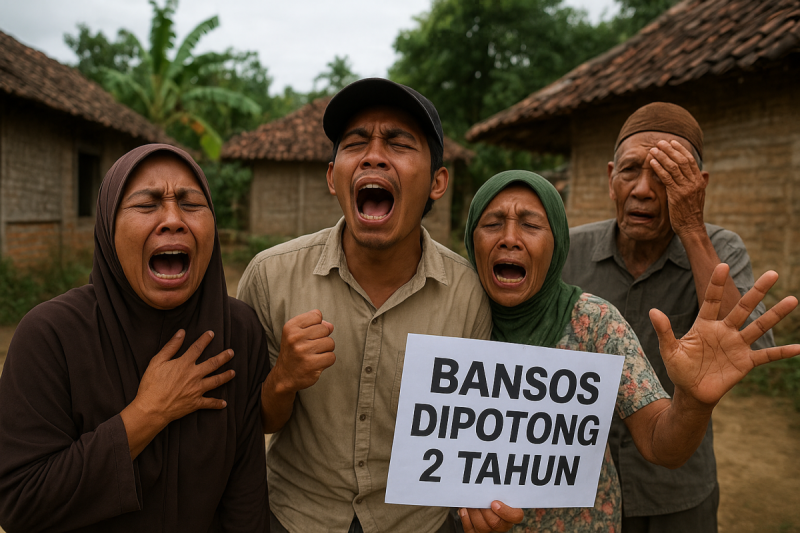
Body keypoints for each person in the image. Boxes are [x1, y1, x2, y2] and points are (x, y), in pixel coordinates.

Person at [238, 78, 523, 533]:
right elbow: (248, 422)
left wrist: (482, 504)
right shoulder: (270, 276)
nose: (373, 155)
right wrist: (283, 379)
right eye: (355, 143)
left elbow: (469, 440)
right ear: (333, 177)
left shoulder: (469, 294)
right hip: (294, 518)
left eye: (398, 142)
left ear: (437, 182)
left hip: (418, 523)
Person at [464, 170, 798, 532]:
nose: (510, 239)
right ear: (471, 239)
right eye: (493, 224)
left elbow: (661, 445)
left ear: (558, 243)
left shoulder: (595, 323)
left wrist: (692, 400)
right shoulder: (450, 319)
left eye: (531, 225)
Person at [0, 144, 270, 532]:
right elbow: (20, 504)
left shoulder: (237, 331)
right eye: (148, 205)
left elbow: (245, 502)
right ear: (108, 227)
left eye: (191, 204)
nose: (173, 220)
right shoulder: (49, 336)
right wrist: (148, 413)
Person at [561, 102, 774, 531]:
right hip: (576, 485)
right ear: (609, 178)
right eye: (630, 171)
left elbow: (745, 350)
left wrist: (692, 228)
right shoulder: (568, 251)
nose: (643, 189)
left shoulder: (719, 248)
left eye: (666, 176)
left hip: (675, 490)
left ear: (698, 185)